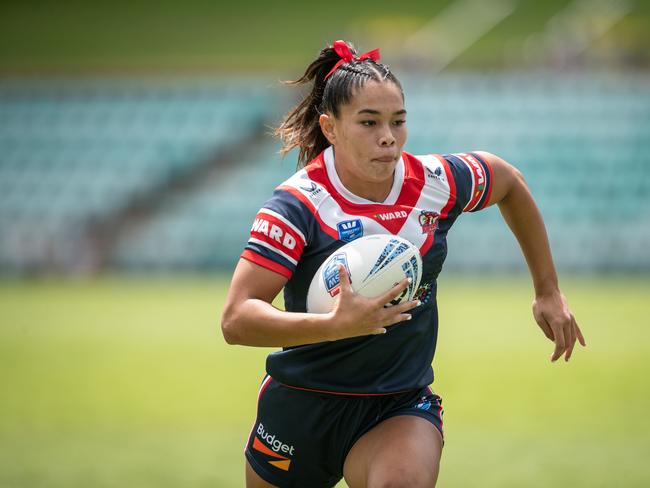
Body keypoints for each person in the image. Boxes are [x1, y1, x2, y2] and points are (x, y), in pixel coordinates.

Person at [221, 40, 586, 488]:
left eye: (398, 121)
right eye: (369, 122)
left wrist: (547, 290)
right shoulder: (297, 206)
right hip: (302, 405)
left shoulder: (435, 182)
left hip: (397, 404)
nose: (388, 136)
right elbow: (236, 319)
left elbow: (509, 182)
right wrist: (334, 326)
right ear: (330, 128)